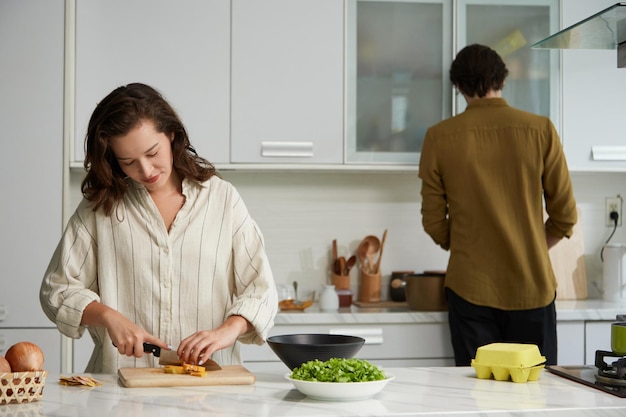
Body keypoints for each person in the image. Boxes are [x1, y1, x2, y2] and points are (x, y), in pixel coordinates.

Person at [40, 83, 278, 373]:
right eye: (128, 162)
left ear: (171, 135)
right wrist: (108, 317)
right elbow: (56, 290)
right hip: (120, 388)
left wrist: (228, 329)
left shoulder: (222, 199)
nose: (146, 171)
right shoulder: (99, 207)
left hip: (211, 389)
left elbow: (261, 290)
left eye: (153, 153)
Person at [418, 44, 577, 366]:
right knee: (535, 392)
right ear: (502, 80)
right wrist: (531, 245)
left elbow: (434, 222)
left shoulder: (439, 137)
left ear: (458, 86)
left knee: (477, 398)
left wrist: (468, 247)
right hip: (532, 287)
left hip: (469, 289)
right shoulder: (540, 129)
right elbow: (565, 216)